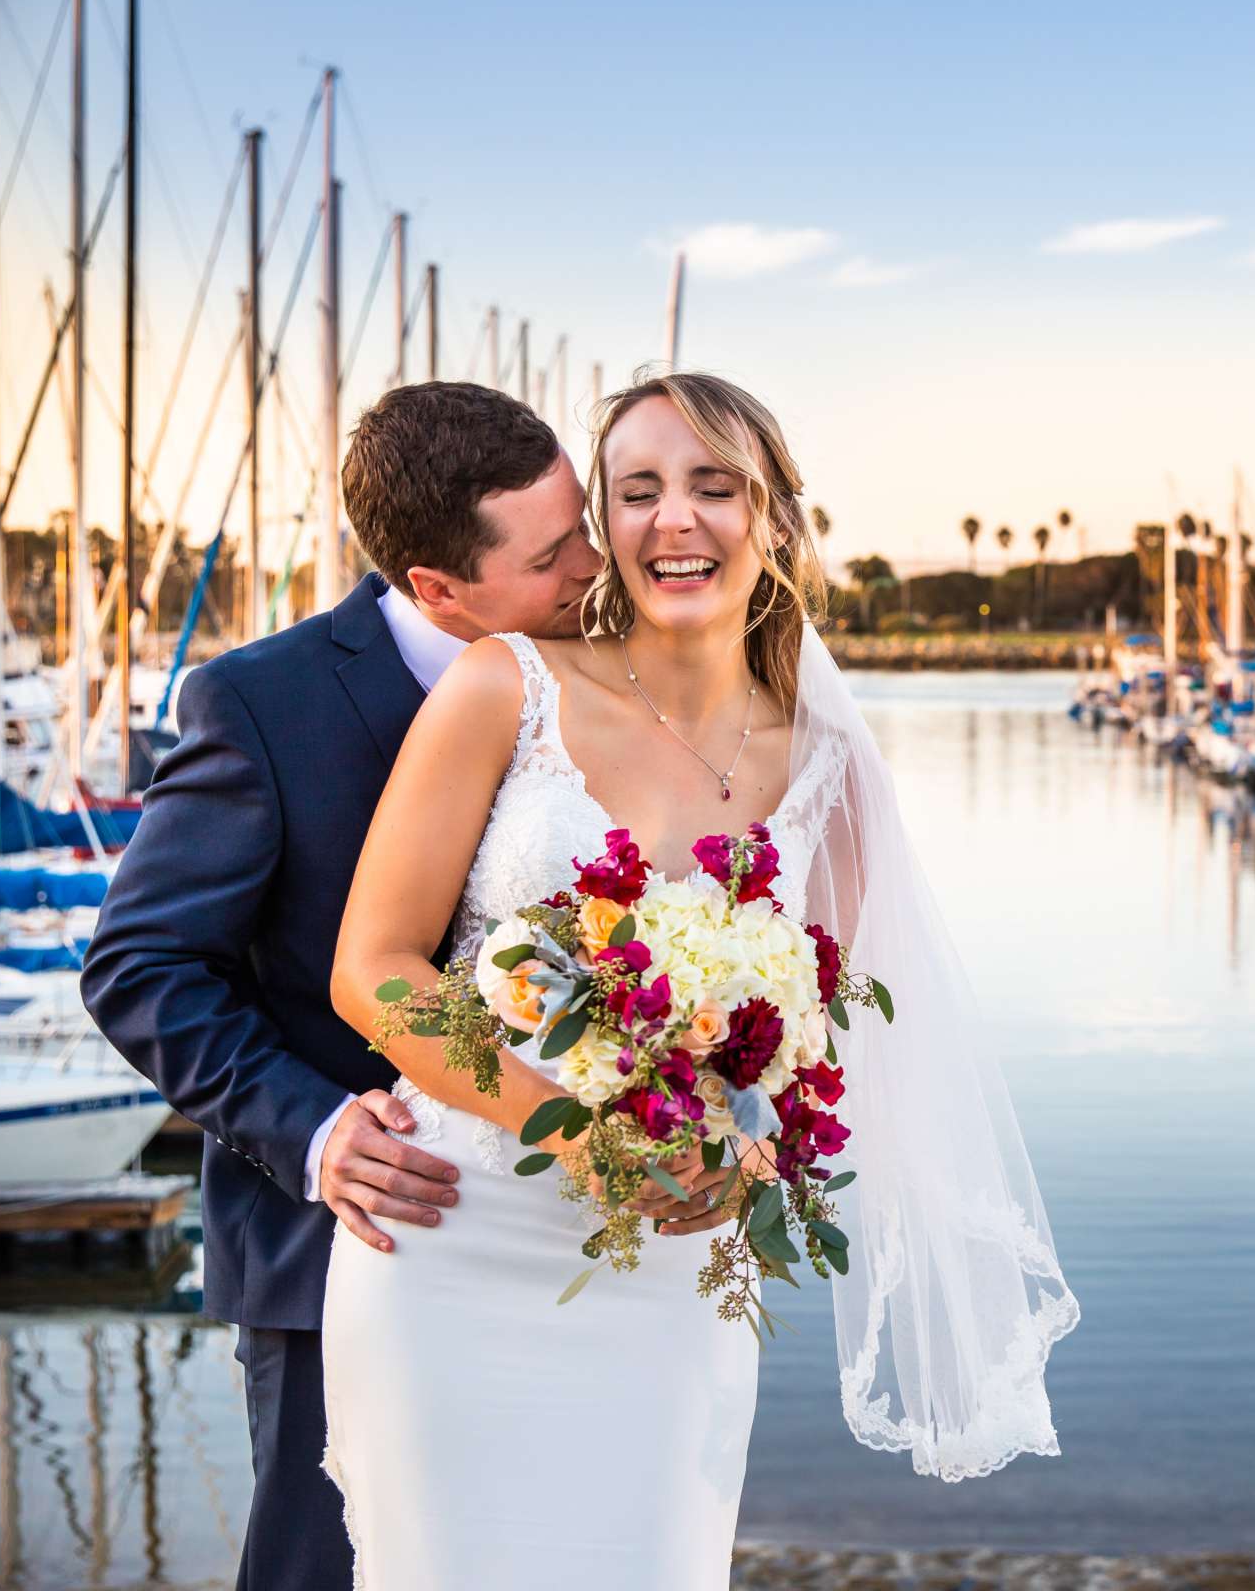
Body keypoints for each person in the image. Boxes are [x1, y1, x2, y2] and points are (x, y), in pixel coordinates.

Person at [321, 371, 1075, 1587]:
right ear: (602, 530)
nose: (676, 518)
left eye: (713, 485)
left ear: (771, 516)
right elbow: (377, 972)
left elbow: (824, 1044)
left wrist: (756, 1153)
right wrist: (575, 1134)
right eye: (638, 491)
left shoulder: (831, 765)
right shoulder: (503, 687)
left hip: (675, 1273)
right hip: (454, 1241)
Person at [82, 381, 604, 1591]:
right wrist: (311, 1129)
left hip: (566, 1238)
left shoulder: (608, 678)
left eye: (583, 521)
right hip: (343, 1245)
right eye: (554, 551)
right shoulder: (258, 704)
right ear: (437, 588)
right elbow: (140, 966)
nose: (594, 562)